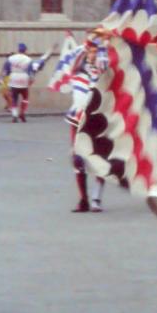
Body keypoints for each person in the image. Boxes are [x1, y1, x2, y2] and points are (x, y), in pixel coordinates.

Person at [67, 37, 107, 213]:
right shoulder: (78, 72)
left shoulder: (101, 72)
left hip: (96, 119)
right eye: (90, 51)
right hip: (77, 118)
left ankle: (96, 197)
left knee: (99, 157)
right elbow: (72, 62)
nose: (92, 54)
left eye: (95, 51)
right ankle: (83, 200)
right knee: (78, 159)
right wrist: (85, 44)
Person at [2, 43, 33, 122]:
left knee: (14, 98)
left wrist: (5, 79)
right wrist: (31, 79)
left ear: (18, 50)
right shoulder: (28, 59)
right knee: (25, 97)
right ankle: (22, 112)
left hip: (13, 78)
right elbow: (30, 71)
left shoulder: (11, 58)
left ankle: (14, 114)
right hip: (24, 77)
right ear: (25, 50)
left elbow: (6, 69)